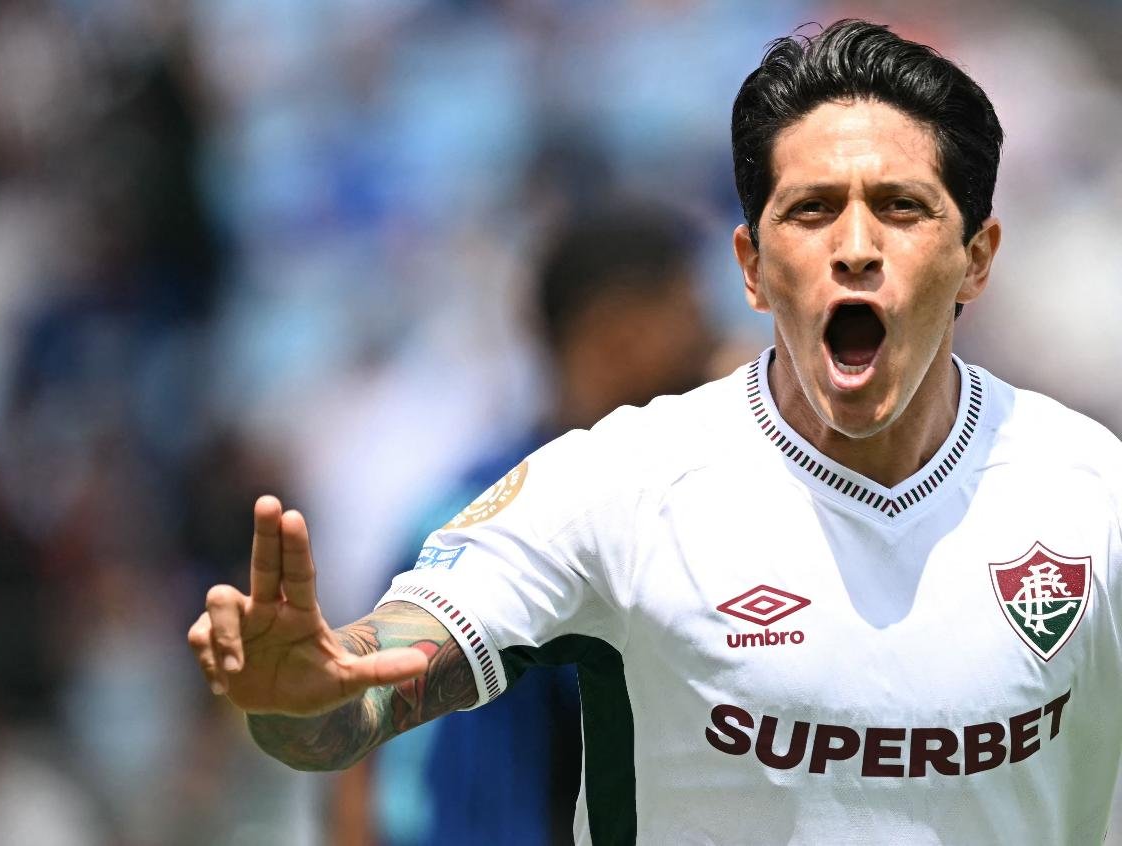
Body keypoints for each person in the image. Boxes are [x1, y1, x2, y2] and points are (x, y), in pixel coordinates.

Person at [187, 20, 1122, 844]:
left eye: (901, 206)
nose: (856, 244)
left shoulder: (1090, 496)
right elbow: (361, 691)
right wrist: (303, 695)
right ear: (752, 269)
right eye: (811, 209)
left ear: (978, 260)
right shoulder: (621, 487)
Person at [345, 204, 718, 845]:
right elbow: (363, 741)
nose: (710, 357)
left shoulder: (461, 506)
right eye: (688, 324)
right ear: (616, 335)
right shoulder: (494, 523)